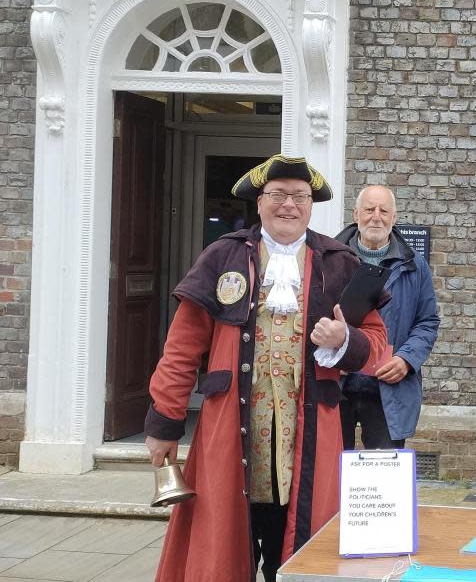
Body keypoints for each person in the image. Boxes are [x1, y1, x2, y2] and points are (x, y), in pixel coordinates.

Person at [145, 155, 388, 582]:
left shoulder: (338, 261)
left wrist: (343, 340)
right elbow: (182, 348)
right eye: (277, 195)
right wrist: (165, 422)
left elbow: (378, 345)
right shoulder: (222, 256)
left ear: (312, 205)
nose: (288, 205)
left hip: (310, 440)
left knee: (299, 557)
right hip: (230, 436)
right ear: (259, 202)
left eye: (299, 196)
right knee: (222, 552)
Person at [336, 184, 440, 450]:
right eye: (370, 209)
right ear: (356, 213)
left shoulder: (415, 265)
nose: (376, 216)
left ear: (394, 218)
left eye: (384, 211)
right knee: (331, 477)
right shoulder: (330, 260)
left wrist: (406, 359)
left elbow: (427, 322)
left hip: (389, 388)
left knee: (383, 480)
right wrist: (330, 357)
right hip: (336, 383)